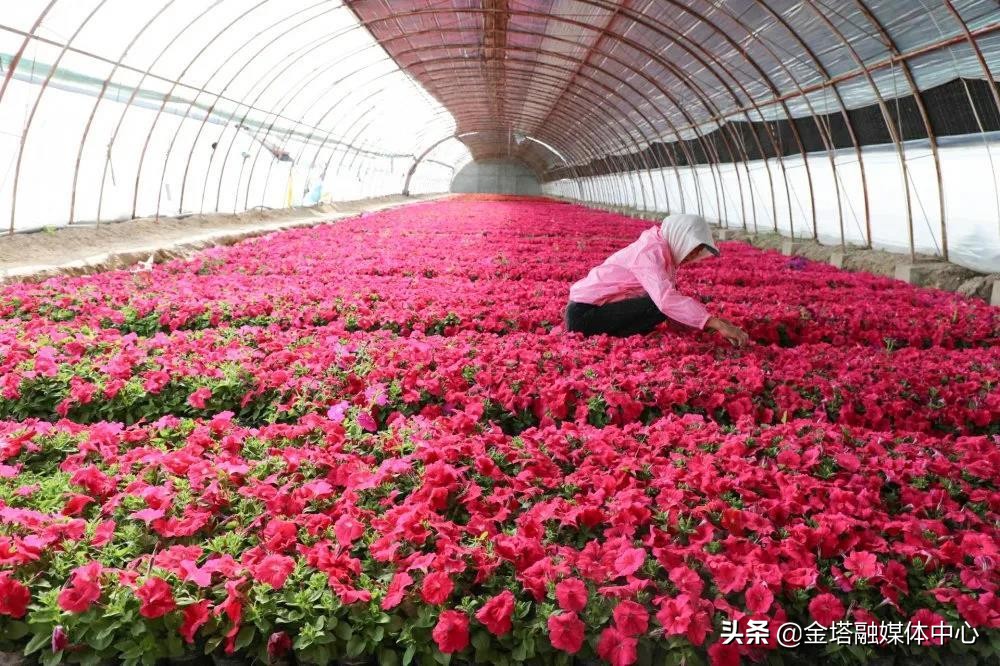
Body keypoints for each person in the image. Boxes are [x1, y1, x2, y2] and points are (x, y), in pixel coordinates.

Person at [565, 213, 750, 346]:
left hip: (592, 312)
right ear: (679, 237)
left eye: (696, 251)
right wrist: (714, 323)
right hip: (584, 316)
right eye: (692, 247)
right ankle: (617, 334)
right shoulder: (650, 252)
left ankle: (625, 335)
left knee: (661, 304)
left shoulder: (661, 249)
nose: (692, 255)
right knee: (657, 304)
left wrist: (707, 325)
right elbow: (665, 301)